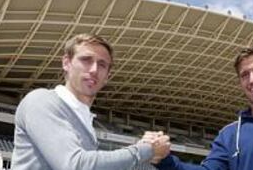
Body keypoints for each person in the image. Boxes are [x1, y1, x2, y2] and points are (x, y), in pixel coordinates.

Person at [11, 34, 170, 170]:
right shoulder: (41, 100)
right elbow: (74, 165)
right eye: (86, 59)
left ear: (107, 76)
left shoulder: (85, 121)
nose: (94, 70)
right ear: (66, 63)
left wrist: (145, 146)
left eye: (102, 65)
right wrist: (145, 150)